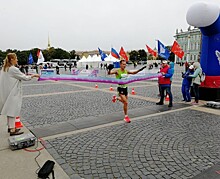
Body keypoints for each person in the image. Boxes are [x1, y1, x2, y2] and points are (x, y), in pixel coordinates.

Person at [0, 53, 40, 136]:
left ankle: (10, 127)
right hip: (12, 93)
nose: (17, 60)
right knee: (12, 111)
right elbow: (25, 77)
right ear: (12, 59)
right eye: (16, 58)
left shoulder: (4, 69)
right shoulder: (13, 69)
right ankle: (12, 130)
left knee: (9, 111)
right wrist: (33, 75)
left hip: (6, 92)